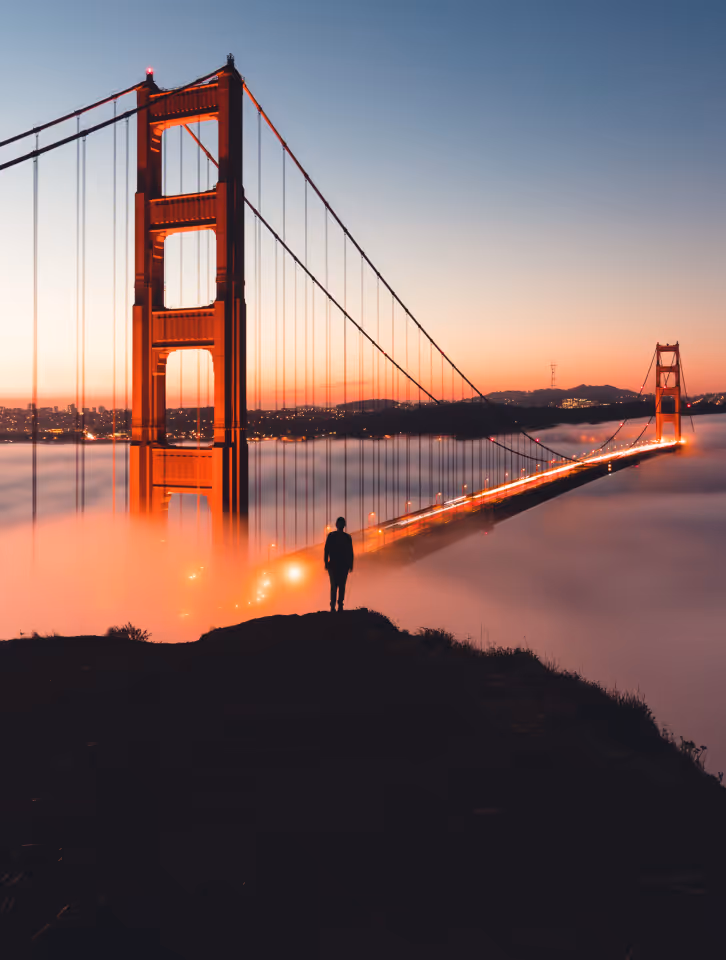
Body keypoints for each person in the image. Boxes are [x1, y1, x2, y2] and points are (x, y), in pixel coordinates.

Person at [324, 516, 354, 612]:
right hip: (342, 565)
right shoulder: (347, 537)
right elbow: (350, 552)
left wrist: (325, 563)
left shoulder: (331, 536)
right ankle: (339, 606)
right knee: (341, 586)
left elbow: (326, 550)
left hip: (333, 565)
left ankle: (334, 607)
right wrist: (350, 564)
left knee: (334, 586)